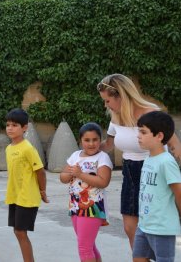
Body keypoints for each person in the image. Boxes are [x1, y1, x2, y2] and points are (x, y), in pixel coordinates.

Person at [97, 73, 181, 248]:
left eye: (108, 100)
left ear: (121, 95)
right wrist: (89, 148)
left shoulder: (151, 114)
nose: (106, 105)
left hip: (153, 171)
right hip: (129, 171)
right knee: (130, 228)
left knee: (154, 228)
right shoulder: (115, 116)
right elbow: (109, 145)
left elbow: (174, 145)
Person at [60, 122, 113, 262]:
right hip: (75, 206)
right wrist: (71, 173)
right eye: (87, 140)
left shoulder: (102, 158)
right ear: (80, 141)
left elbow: (103, 182)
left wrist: (80, 174)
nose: (91, 144)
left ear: (100, 140)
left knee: (84, 248)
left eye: (95, 140)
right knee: (90, 246)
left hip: (92, 207)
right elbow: (63, 177)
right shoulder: (75, 156)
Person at [133, 111, 181, 262]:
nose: (138, 136)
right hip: (144, 224)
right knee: (138, 258)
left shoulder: (166, 162)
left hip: (162, 227)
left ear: (159, 136)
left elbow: (178, 192)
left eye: (143, 132)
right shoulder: (149, 159)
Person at [5, 109, 49, 262]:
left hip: (27, 197)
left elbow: (40, 171)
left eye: (15, 125)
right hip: (15, 196)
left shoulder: (28, 148)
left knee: (20, 232)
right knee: (17, 232)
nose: (10, 128)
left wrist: (42, 191)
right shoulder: (8, 148)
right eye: (8, 125)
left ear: (25, 127)